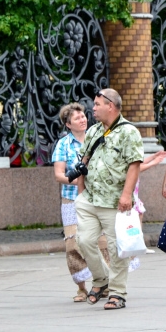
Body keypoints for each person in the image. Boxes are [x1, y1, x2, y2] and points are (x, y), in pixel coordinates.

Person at [73, 89, 144, 310]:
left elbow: (135, 164)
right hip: (89, 199)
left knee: (116, 248)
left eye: (97, 104)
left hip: (114, 201)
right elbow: (84, 160)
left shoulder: (129, 132)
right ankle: (102, 279)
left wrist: (126, 195)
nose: (92, 108)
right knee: (83, 241)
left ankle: (117, 292)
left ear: (110, 105)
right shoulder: (93, 131)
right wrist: (81, 192)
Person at [52, 103, 97, 302]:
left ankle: (102, 284)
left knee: (101, 241)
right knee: (73, 243)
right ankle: (81, 288)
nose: (83, 119)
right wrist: (77, 177)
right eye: (77, 118)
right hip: (71, 197)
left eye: (84, 116)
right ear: (68, 124)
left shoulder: (97, 137)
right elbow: (58, 175)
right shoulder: (64, 144)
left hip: (96, 195)